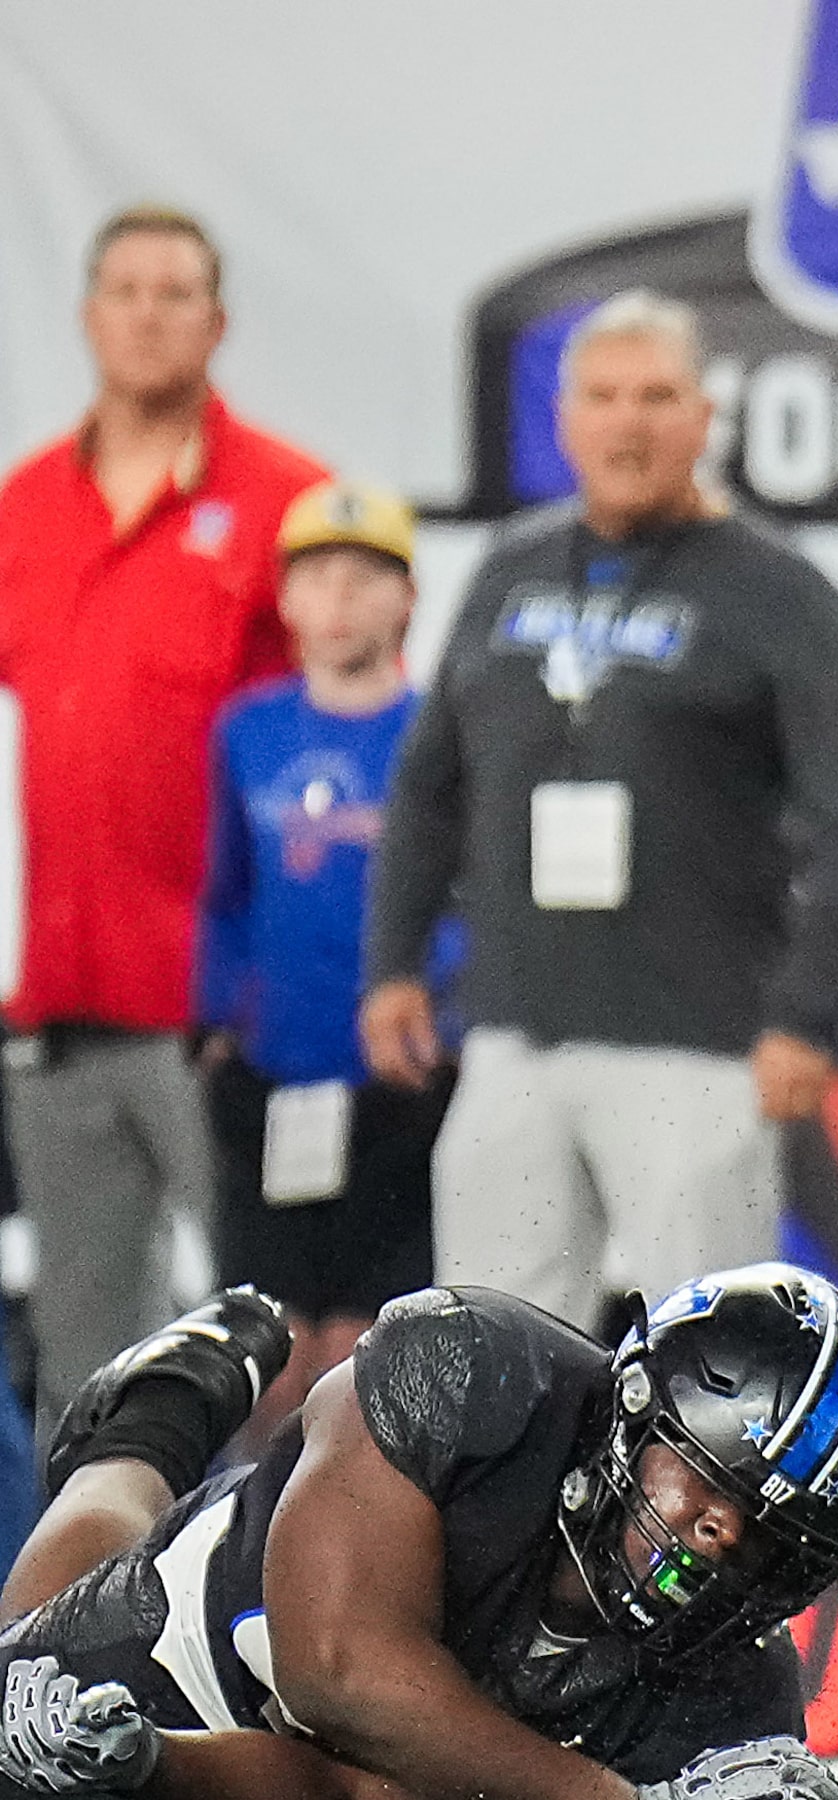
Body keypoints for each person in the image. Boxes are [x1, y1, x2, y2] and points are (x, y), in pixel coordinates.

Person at [361, 291, 838, 1328]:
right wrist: (392, 965)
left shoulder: (782, 594)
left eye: (656, 396)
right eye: (602, 397)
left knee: (712, 1361)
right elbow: (430, 788)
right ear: (563, 422)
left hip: (697, 1047)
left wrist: (803, 1016)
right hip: (514, 1030)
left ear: (704, 418)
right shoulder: (510, 572)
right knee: (485, 1355)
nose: (628, 422)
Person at [0, 1263, 838, 1800]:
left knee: (81, 1757)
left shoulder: (738, 1704)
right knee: (18, 1694)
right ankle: (156, 1418)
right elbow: (333, 1677)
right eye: (706, 1480)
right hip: (212, 1622)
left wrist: (150, 1762)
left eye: (775, 1538)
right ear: (632, 1405)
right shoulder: (470, 1368)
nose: (722, 1532)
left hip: (310, 1767)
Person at [0, 204, 325, 1422]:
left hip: (228, 1021)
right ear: (88, 314)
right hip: (59, 1020)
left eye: (173, 291)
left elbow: (341, 756)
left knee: (286, 1351)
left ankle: (293, 1604)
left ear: (217, 321)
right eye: (124, 289)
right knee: (88, 1374)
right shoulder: (22, 509)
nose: (146, 313)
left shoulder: (293, 506)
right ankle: (76, 1613)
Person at [196, 484, 460, 1415]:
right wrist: (220, 1015)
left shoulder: (439, 732)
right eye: (316, 579)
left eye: (364, 578)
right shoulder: (249, 731)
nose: (339, 601)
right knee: (271, 1354)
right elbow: (226, 890)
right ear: (286, 600)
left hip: (395, 1087)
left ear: (406, 599)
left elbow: (463, 893)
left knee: (365, 1353)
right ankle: (251, 1553)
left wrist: (446, 1017)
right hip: (275, 1079)